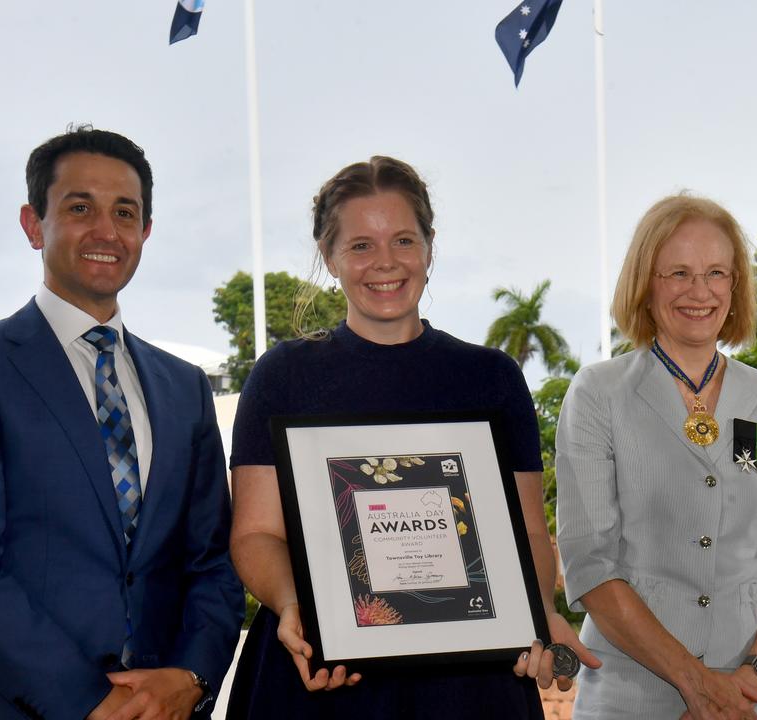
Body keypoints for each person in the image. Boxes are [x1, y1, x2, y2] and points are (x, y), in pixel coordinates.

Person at [225, 155, 595, 719]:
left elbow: (527, 535)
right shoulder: (282, 376)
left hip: (466, 687)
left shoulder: (491, 378)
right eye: (361, 246)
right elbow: (254, 534)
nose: (386, 263)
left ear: (429, 246)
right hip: (323, 675)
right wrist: (295, 603)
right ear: (330, 257)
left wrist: (537, 612)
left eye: (402, 239)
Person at [0, 126, 244, 720]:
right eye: (80, 207)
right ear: (33, 224)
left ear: (145, 231)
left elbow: (211, 562)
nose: (106, 231)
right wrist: (89, 702)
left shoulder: (183, 387)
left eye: (125, 212)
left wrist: (190, 677)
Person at [555, 194, 757, 720]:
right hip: (630, 694)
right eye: (677, 272)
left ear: (735, 286)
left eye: (716, 273)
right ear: (645, 285)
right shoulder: (597, 395)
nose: (699, 292)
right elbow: (591, 563)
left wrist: (751, 680)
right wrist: (697, 684)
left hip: (751, 698)